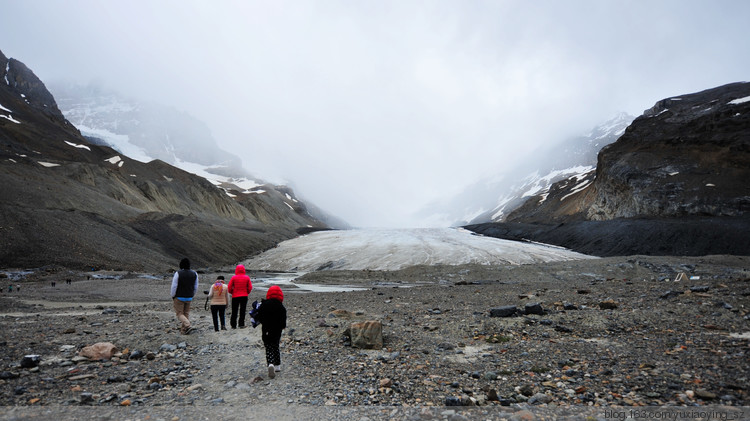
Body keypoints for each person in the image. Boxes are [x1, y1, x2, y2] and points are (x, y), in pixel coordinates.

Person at [255, 285, 287, 379]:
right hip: (277, 330)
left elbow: (259, 317)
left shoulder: (264, 304)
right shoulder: (281, 306)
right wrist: (282, 326)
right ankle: (277, 366)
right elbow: (283, 320)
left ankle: (270, 363)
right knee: (275, 345)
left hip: (266, 329)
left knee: (268, 347)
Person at [170, 258, 198, 334]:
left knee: (179, 313)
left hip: (179, 296)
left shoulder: (178, 273)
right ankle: (184, 330)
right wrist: (192, 294)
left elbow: (174, 286)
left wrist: (173, 295)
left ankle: (188, 325)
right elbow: (195, 286)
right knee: (186, 313)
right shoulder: (194, 273)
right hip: (189, 296)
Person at [227, 264, 252, 329]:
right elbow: (250, 287)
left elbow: (229, 287)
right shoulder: (247, 277)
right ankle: (241, 324)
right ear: (244, 270)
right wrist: (247, 292)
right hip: (244, 296)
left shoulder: (234, 277)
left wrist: (232, 292)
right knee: (242, 310)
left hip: (235, 296)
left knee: (234, 311)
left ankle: (233, 325)